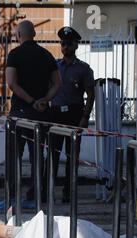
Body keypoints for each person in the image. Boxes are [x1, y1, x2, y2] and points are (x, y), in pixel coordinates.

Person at [6, 20, 61, 202]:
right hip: (41, 114)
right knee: (38, 156)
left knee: (15, 156)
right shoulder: (46, 55)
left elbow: (12, 83)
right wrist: (44, 100)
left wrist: (30, 101)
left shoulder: (14, 54)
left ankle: (12, 195)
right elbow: (57, 83)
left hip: (20, 113)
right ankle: (36, 194)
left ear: (19, 35)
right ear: (34, 35)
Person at [49, 27, 95, 202]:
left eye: (68, 43)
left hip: (74, 114)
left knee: (71, 156)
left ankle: (69, 192)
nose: (65, 46)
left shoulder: (83, 69)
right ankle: (47, 191)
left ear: (76, 45)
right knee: (52, 155)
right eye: (62, 43)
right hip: (55, 114)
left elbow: (90, 94)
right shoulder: (54, 66)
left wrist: (85, 118)